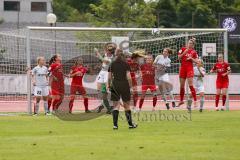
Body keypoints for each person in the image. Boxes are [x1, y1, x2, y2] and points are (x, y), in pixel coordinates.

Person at [108, 49, 137, 129]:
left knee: (116, 105)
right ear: (123, 55)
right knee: (127, 105)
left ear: (116, 55)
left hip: (115, 85)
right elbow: (129, 77)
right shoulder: (126, 64)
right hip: (124, 85)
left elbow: (110, 77)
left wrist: (109, 85)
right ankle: (131, 124)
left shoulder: (112, 64)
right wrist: (131, 87)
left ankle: (115, 125)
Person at [95, 43, 116, 114]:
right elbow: (102, 59)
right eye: (107, 49)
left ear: (111, 51)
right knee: (98, 89)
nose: (107, 50)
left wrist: (97, 52)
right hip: (102, 72)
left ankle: (109, 107)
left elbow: (103, 60)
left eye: (108, 49)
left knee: (106, 91)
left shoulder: (112, 58)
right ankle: (104, 105)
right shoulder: (106, 54)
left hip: (107, 73)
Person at [177, 38, 199, 108]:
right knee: (181, 86)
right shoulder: (182, 49)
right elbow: (179, 58)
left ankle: (195, 101)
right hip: (182, 68)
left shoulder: (194, 52)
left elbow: (197, 61)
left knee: (190, 85)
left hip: (189, 69)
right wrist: (184, 53)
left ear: (193, 45)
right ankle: (181, 100)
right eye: (189, 43)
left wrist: (191, 59)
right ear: (187, 43)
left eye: (191, 44)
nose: (190, 44)